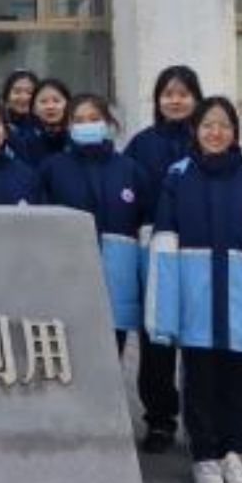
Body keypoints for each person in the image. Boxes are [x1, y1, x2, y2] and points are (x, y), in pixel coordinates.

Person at [145, 96, 242, 483]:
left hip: (240, 306)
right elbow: (163, 249)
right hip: (196, 305)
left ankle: (233, 453)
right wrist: (164, 314)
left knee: (238, 384)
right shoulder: (178, 178)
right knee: (199, 383)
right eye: (207, 125)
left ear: (235, 132)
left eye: (224, 125)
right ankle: (204, 456)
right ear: (195, 130)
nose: (215, 132)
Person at [122, 64, 202, 454]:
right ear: (157, 100)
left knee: (201, 340)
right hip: (153, 253)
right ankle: (159, 420)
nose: (175, 100)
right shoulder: (141, 144)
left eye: (183, 94)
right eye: (168, 94)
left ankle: (201, 422)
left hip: (200, 253)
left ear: (196, 99)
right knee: (156, 340)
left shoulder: (208, 138)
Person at [38, 94, 153, 344]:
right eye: (78, 120)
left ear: (108, 122)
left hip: (118, 281)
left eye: (93, 118)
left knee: (112, 351)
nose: (86, 125)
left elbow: (145, 226)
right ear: (68, 126)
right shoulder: (51, 169)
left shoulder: (130, 170)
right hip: (66, 276)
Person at [16, 77, 73, 166]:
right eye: (43, 102)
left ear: (68, 105)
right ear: (34, 109)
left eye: (56, 101)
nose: (50, 106)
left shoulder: (76, 138)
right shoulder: (23, 143)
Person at [1, 69, 41, 153]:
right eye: (17, 92)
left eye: (29, 92)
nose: (23, 97)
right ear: (7, 96)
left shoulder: (44, 125)